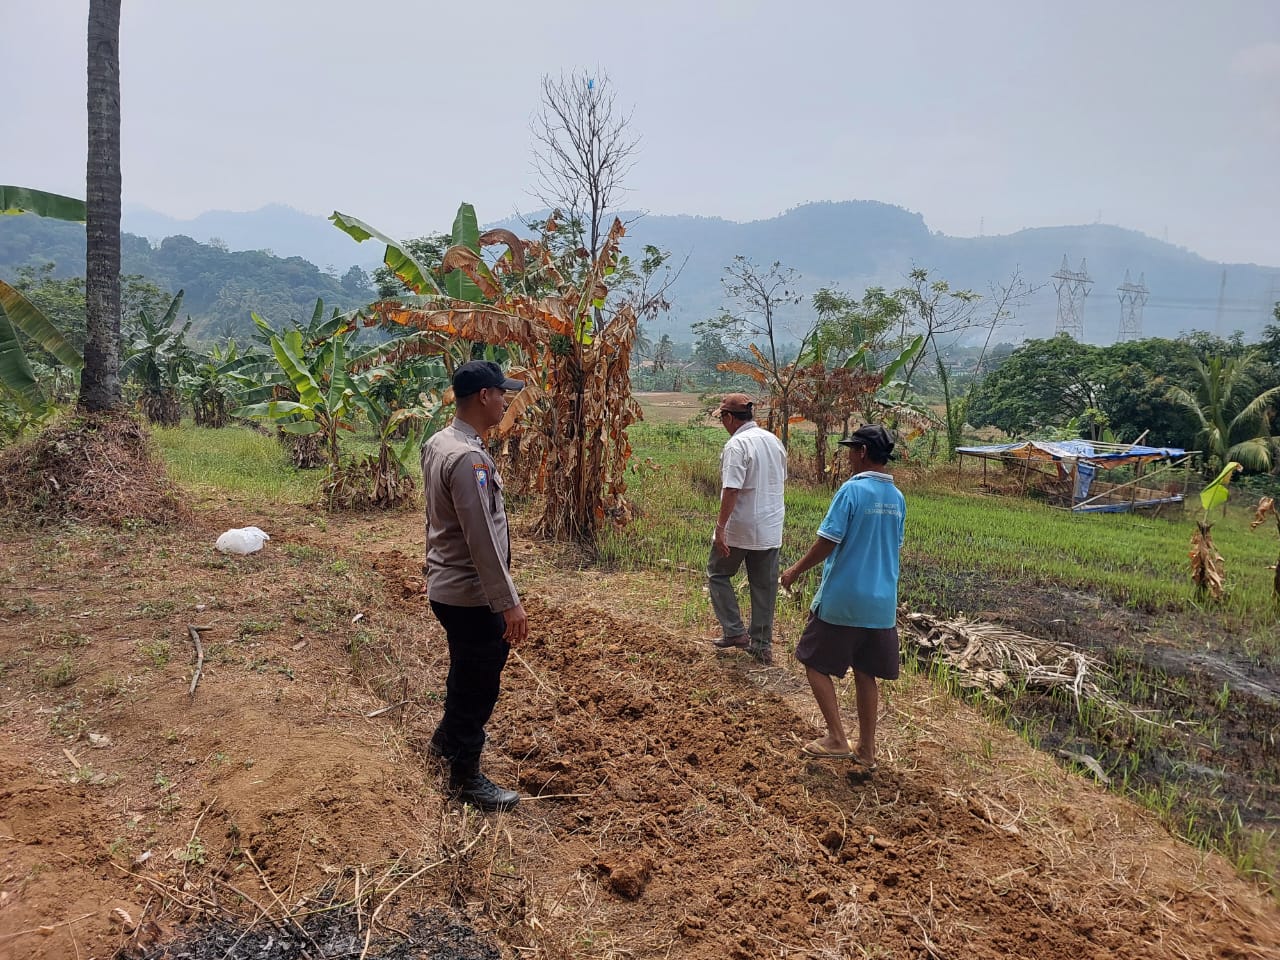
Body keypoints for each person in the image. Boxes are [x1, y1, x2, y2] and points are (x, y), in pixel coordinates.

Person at [420, 360, 529, 812]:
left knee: (466, 672)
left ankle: (445, 744)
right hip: (470, 593)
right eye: (502, 393)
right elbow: (480, 537)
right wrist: (508, 602)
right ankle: (465, 778)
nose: (505, 401)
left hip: (447, 585)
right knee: (478, 683)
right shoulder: (469, 459)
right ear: (484, 396)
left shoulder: (439, 442)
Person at [779, 424, 905, 771]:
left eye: (851, 450)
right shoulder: (897, 498)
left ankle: (836, 737)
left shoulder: (852, 490)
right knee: (866, 673)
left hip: (844, 599)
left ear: (862, 452)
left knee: (812, 661)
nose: (848, 456)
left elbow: (828, 540)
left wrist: (795, 570)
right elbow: (894, 546)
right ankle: (866, 751)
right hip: (881, 604)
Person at [708, 393, 788, 666]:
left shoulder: (737, 444)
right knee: (764, 587)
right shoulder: (774, 441)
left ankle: (734, 631)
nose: (723, 423)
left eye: (722, 418)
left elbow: (731, 489)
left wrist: (720, 528)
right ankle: (762, 646)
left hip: (740, 527)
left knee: (718, 573)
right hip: (770, 527)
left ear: (730, 417)